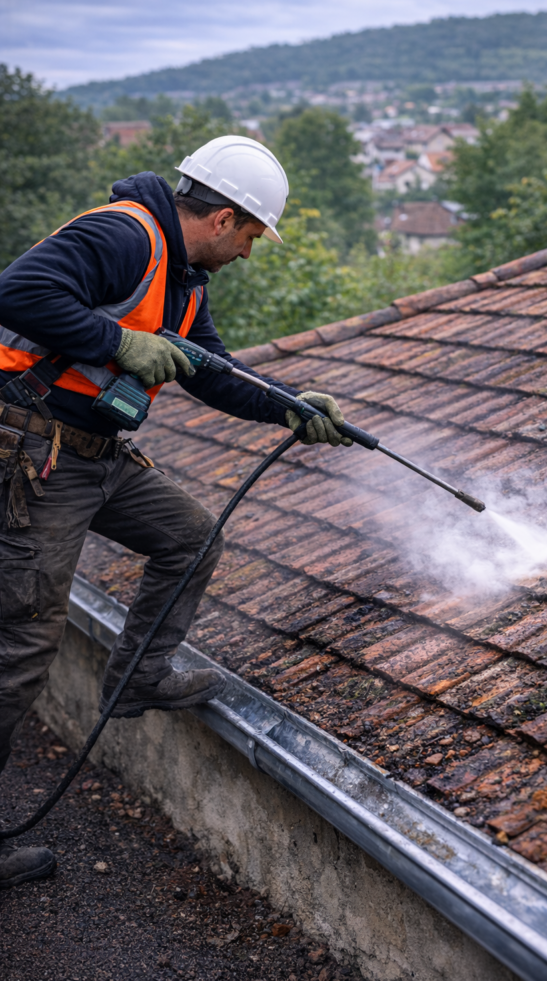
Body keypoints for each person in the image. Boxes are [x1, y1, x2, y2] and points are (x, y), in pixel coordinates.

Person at [0, 136, 351, 888]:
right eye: (253, 236)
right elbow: (17, 293)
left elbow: (214, 373)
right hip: (35, 452)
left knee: (188, 537)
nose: (251, 253)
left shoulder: (185, 281)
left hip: (96, 454)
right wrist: (117, 340)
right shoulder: (123, 235)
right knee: (21, 645)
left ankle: (138, 676)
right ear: (224, 218)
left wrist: (291, 409)